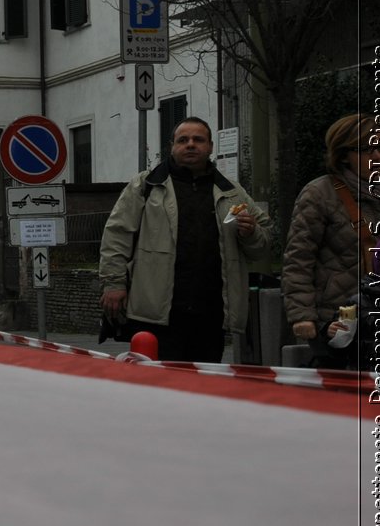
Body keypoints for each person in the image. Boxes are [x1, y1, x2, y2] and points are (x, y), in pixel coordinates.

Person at [100, 117, 272, 363]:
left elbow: (262, 245)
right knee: (158, 389)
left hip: (210, 314)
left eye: (198, 140)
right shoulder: (146, 185)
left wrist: (251, 233)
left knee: (202, 389)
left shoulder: (232, 193)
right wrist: (113, 284)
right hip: (156, 316)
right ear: (172, 146)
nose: (191, 145)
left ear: (210, 146)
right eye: (183, 140)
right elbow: (116, 235)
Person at [283, 113, 380, 369]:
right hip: (340, 320)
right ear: (343, 155)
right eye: (366, 149)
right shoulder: (319, 194)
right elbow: (298, 260)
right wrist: (303, 316)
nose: (377, 156)